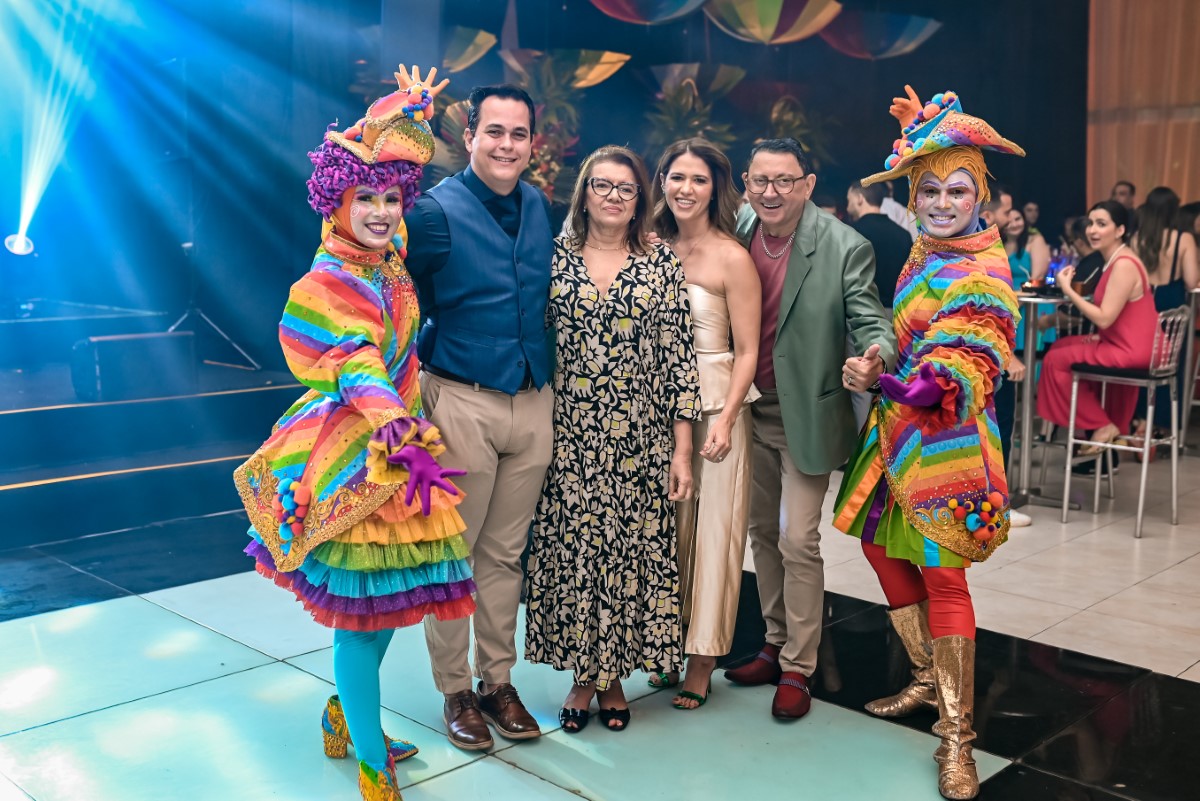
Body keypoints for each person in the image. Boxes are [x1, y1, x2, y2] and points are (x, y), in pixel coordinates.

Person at [233, 67, 473, 800]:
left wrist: (405, 109)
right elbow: (357, 363)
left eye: (390, 198)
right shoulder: (330, 280)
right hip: (358, 453)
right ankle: (372, 766)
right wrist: (399, 426)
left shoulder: (386, 253)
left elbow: (373, 145)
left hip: (398, 449)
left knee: (388, 606)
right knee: (360, 623)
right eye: (363, 197)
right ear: (336, 202)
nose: (380, 210)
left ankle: (346, 715)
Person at [832, 86, 1022, 801]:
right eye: (931, 190)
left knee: (945, 577)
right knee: (881, 547)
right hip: (896, 433)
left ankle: (958, 738)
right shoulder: (929, 247)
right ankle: (923, 677)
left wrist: (900, 382)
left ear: (981, 196)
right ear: (914, 197)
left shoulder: (983, 270)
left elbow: (965, 354)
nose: (944, 202)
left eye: (958, 190)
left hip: (947, 442)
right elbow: (906, 334)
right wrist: (879, 367)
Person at [524, 145, 701, 733]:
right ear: (583, 193)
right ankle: (584, 676)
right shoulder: (554, 258)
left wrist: (682, 450)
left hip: (640, 439)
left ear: (639, 199)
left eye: (626, 189)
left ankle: (615, 679)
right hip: (568, 435)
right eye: (602, 185)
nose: (613, 197)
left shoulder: (660, 262)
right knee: (576, 553)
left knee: (628, 557)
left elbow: (680, 360)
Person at [722, 137, 896, 721]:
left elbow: (872, 320)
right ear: (747, 183)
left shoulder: (845, 246)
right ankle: (773, 643)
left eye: (785, 181)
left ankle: (800, 664)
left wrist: (874, 360)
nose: (771, 192)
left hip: (806, 413)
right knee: (760, 533)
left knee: (797, 538)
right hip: (744, 409)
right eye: (760, 181)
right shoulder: (737, 228)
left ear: (808, 184)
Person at [404, 84, 553, 751]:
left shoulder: (540, 205)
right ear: (468, 136)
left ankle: (498, 681)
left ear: (532, 144)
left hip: (534, 399)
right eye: (494, 131)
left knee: (504, 554)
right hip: (461, 396)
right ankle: (455, 689)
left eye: (518, 134)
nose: (506, 145)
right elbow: (393, 292)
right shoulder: (432, 213)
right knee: (454, 554)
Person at [648, 138, 761, 709]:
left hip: (717, 408)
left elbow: (748, 351)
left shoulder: (732, 257)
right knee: (664, 534)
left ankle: (702, 659)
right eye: (677, 177)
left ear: (715, 188)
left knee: (716, 535)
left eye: (698, 179)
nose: (686, 188)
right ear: (662, 181)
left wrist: (729, 417)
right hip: (655, 411)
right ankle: (665, 641)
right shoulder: (648, 245)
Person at [1036, 201, 1159, 451]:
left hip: (1132, 350)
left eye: (1101, 224)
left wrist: (1069, 290)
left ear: (1120, 230)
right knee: (1059, 346)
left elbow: (1104, 318)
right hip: (1126, 343)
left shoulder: (1123, 264)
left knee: (1054, 360)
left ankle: (1101, 424)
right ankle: (1095, 426)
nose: (1092, 230)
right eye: (1091, 223)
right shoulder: (1114, 259)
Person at [1128, 186, 1199, 446]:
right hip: (1171, 302)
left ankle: (1137, 419)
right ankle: (1158, 427)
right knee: (1169, 364)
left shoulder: (1136, 238)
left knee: (1141, 362)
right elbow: (1191, 280)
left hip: (1143, 302)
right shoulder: (1184, 239)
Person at [979, 188, 1030, 527]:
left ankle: (991, 501)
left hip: (984, 346)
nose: (1011, 217)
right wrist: (1007, 354)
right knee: (997, 423)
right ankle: (995, 504)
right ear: (988, 212)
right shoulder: (982, 243)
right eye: (1007, 211)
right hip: (986, 350)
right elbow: (984, 300)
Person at [846, 179, 912, 310]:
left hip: (862, 311)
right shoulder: (903, 235)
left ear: (859, 199)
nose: (847, 207)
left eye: (849, 201)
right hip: (897, 311)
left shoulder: (851, 233)